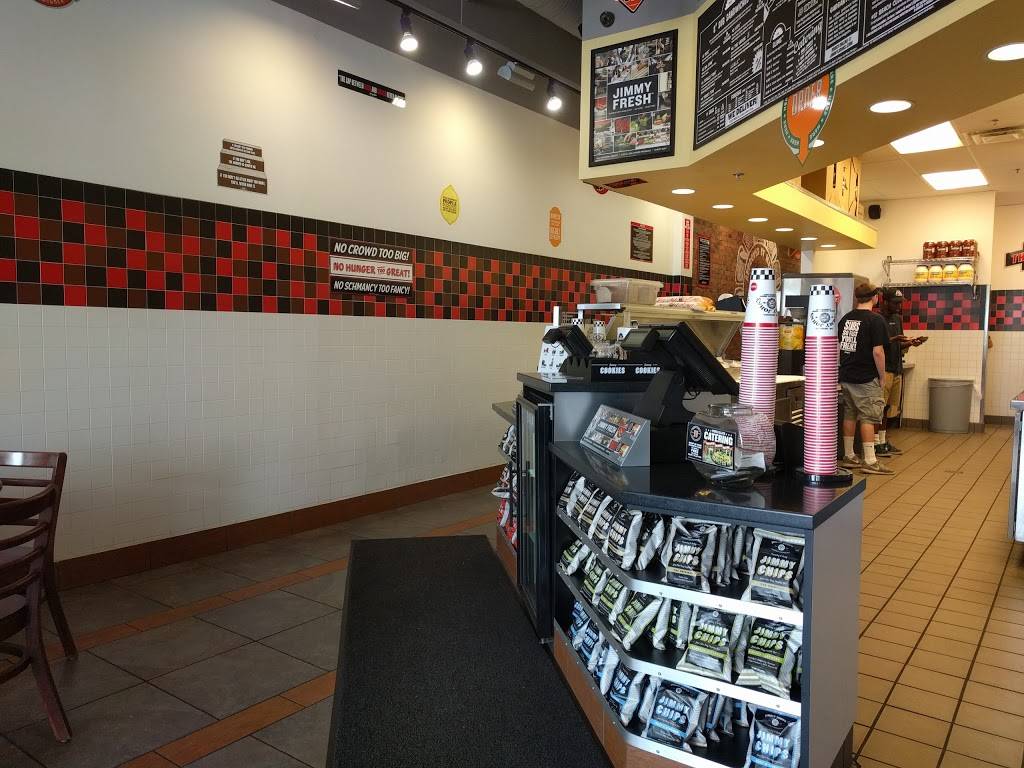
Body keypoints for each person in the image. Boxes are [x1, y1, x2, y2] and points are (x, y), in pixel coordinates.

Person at [838, 282, 894, 475]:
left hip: (846, 375)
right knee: (868, 417)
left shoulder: (846, 319)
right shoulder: (875, 320)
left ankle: (849, 455)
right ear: (875, 297)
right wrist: (882, 376)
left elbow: (839, 347)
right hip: (865, 377)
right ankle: (870, 460)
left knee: (850, 414)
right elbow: (878, 352)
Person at [875, 288, 926, 457]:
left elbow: (899, 344)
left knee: (889, 408)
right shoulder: (877, 319)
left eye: (900, 303)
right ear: (885, 302)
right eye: (895, 303)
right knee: (879, 408)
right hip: (883, 370)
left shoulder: (897, 319)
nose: (899, 306)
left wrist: (911, 343)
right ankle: (875, 443)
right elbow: (876, 345)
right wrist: (894, 339)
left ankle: (883, 441)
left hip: (896, 369)